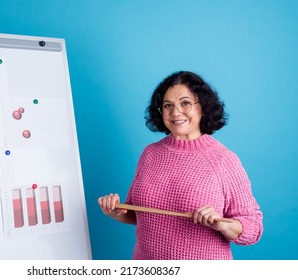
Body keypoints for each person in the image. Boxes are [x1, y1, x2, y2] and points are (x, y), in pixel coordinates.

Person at [97, 71, 263, 260]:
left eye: (185, 103)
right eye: (168, 105)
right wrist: (116, 211)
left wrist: (223, 225)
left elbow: (253, 226)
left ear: (203, 107)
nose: (175, 112)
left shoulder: (224, 160)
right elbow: (137, 214)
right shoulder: (150, 154)